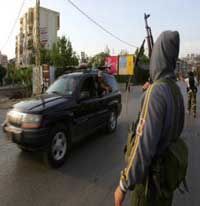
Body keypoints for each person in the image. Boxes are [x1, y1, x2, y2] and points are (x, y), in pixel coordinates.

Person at [114, 31, 185, 206]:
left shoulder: (156, 92)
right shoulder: (174, 90)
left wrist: (123, 185)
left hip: (150, 187)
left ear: (158, 57)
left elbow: (143, 147)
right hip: (165, 183)